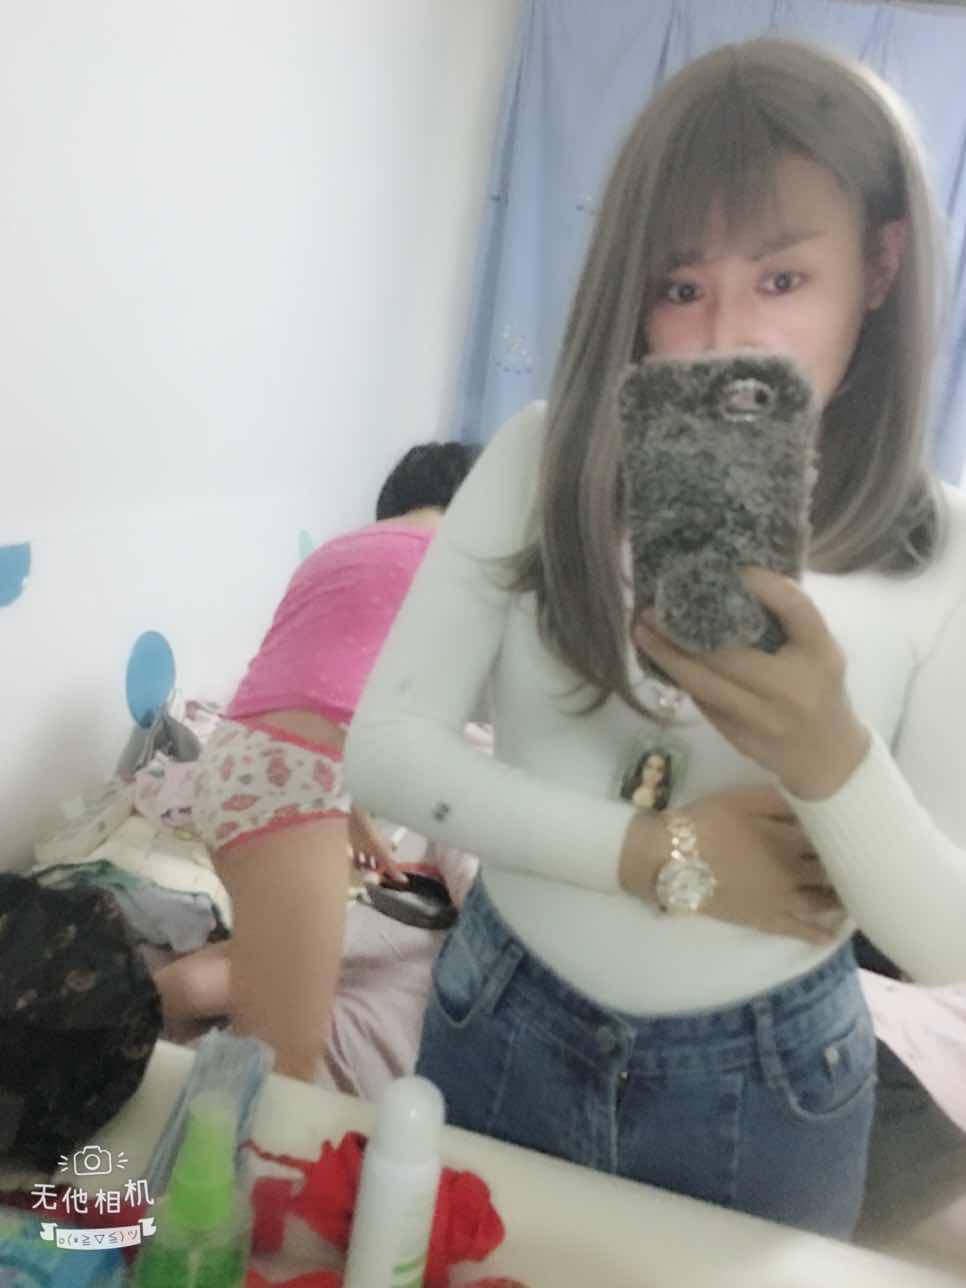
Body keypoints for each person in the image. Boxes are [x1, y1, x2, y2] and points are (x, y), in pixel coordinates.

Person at [344, 37, 966, 1240]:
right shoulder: (542, 459)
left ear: (880, 265)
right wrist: (655, 851)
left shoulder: (939, 549)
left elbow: (945, 941)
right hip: (504, 1012)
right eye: (681, 288)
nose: (726, 332)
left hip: (769, 1081)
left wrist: (830, 753)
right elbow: (387, 750)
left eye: (781, 278)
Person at [153, 441, 478, 1080]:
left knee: (263, 975)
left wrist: (356, 822)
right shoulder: (456, 564)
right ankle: (86, 1024)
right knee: (286, 1060)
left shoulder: (341, 552)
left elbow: (315, 694)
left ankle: (103, 1013)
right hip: (291, 782)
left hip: (239, 762)